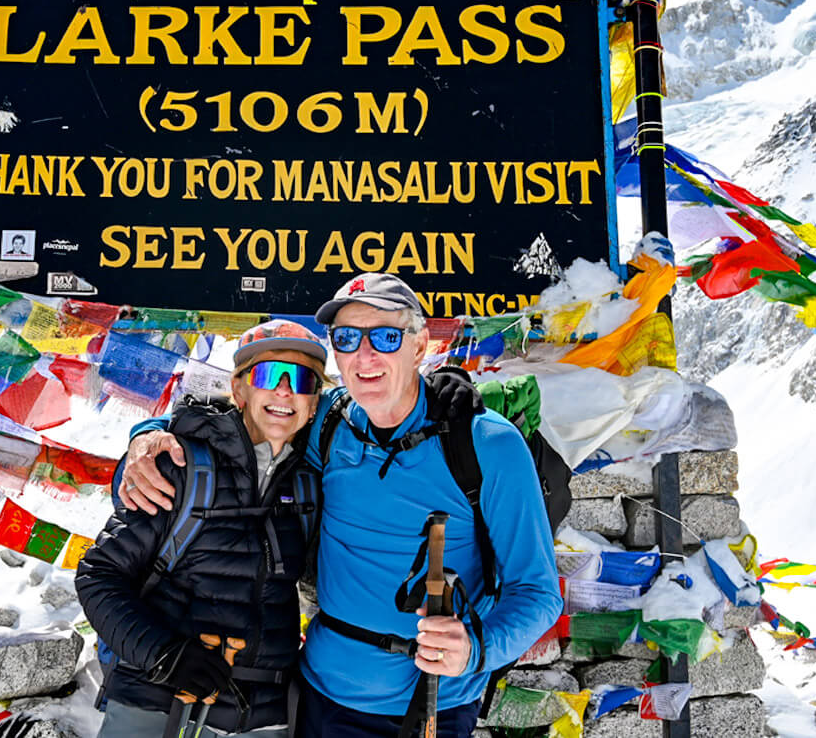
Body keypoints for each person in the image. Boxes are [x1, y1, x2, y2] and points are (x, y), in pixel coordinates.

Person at [120, 273, 563, 737]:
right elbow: (239, 420)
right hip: (325, 696)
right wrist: (147, 436)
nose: (365, 356)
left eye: (386, 337)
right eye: (347, 338)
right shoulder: (327, 424)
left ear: (419, 347)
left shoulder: (485, 445)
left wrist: (477, 648)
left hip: (434, 702)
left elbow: (537, 592)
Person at [75, 320, 331, 737]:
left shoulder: (310, 484)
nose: (284, 390)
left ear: (314, 402)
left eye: (301, 380)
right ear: (239, 389)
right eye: (268, 375)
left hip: (263, 718)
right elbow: (98, 575)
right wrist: (165, 655)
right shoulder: (179, 466)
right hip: (157, 704)